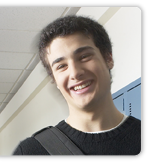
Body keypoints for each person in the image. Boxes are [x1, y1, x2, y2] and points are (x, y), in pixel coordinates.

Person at [13, 15, 141, 155]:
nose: (75, 73)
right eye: (61, 66)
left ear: (108, 58)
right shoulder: (30, 152)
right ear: (54, 79)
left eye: (84, 57)